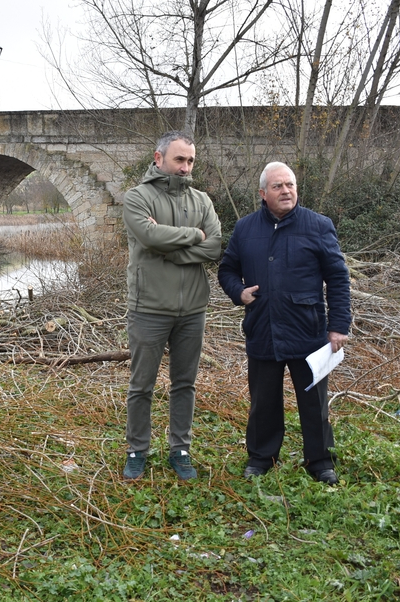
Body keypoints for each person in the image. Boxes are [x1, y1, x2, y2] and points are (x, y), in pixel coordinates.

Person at [217, 161, 351, 486]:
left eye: (290, 185)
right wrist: (238, 292)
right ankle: (261, 458)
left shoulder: (318, 226)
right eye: (277, 186)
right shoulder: (246, 228)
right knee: (263, 402)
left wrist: (339, 325)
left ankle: (320, 461)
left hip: (308, 331)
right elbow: (227, 269)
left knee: (314, 404)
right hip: (262, 328)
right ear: (263, 193)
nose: (286, 191)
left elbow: (337, 277)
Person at [121, 131, 222, 481]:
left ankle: (180, 449)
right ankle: (137, 450)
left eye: (190, 160)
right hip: (149, 307)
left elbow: (215, 246)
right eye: (179, 159)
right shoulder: (137, 197)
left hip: (192, 309)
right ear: (159, 157)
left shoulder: (202, 201)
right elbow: (149, 237)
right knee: (142, 385)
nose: (185, 167)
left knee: (184, 383)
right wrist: (195, 235)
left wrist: (171, 249)